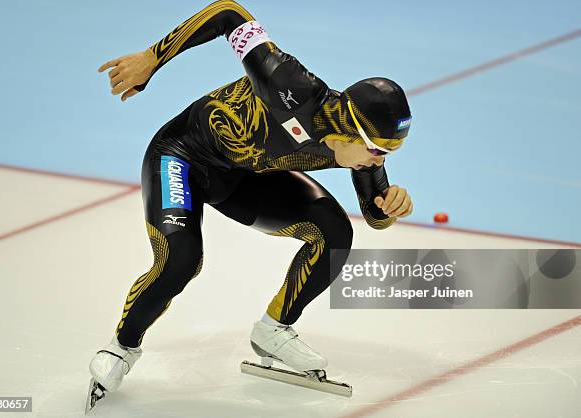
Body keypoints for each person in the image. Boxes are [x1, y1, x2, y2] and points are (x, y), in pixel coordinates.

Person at [89, 0, 413, 398]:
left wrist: (390, 207)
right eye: (378, 151)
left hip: (242, 176)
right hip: (182, 157)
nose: (379, 162)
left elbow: (374, 212)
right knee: (181, 261)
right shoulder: (290, 85)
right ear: (351, 132)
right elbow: (229, 12)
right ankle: (122, 347)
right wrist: (151, 59)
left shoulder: (363, 155)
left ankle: (274, 329)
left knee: (334, 233)